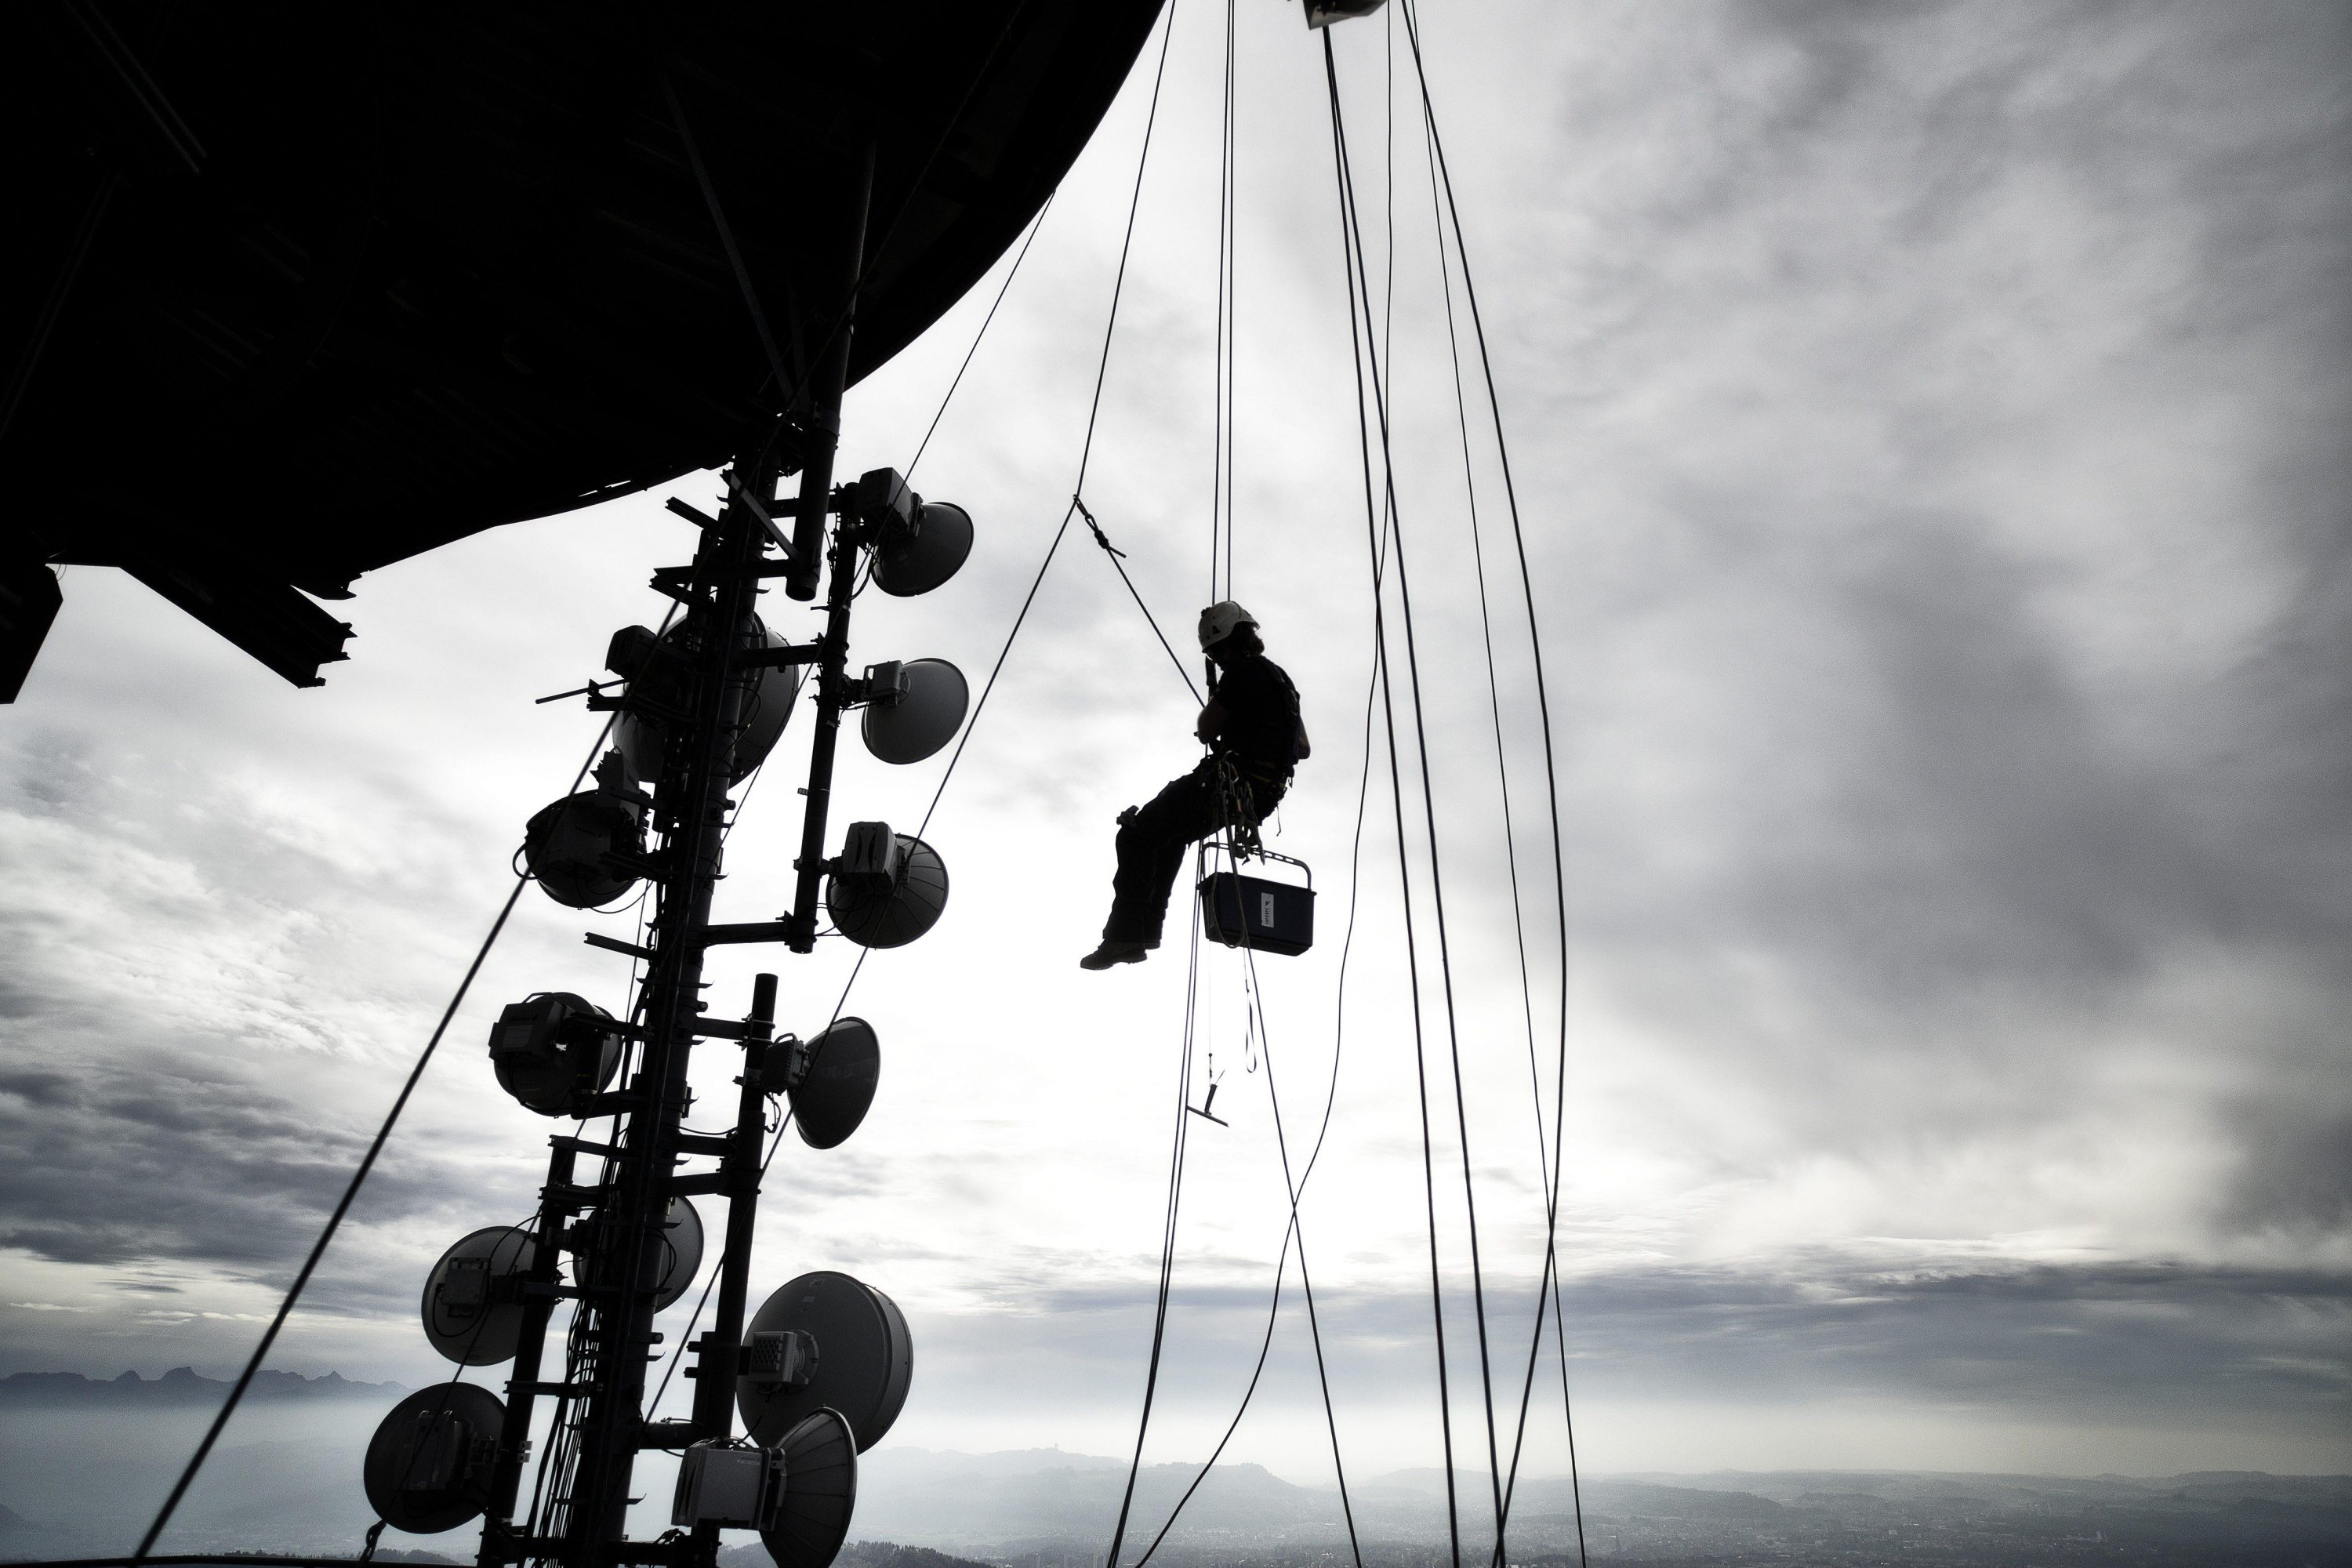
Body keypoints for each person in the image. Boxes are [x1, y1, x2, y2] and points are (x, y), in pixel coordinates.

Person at [1081, 601, 1308, 971]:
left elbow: (1207, 729)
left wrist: (1226, 713)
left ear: (1233, 642)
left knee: (1136, 834)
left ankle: (1126, 936)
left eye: (1218, 650)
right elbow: (1301, 749)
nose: (1217, 659)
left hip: (1230, 785)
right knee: (1169, 836)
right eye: (1212, 654)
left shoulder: (1242, 674)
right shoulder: (1284, 684)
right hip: (1259, 795)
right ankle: (1143, 933)